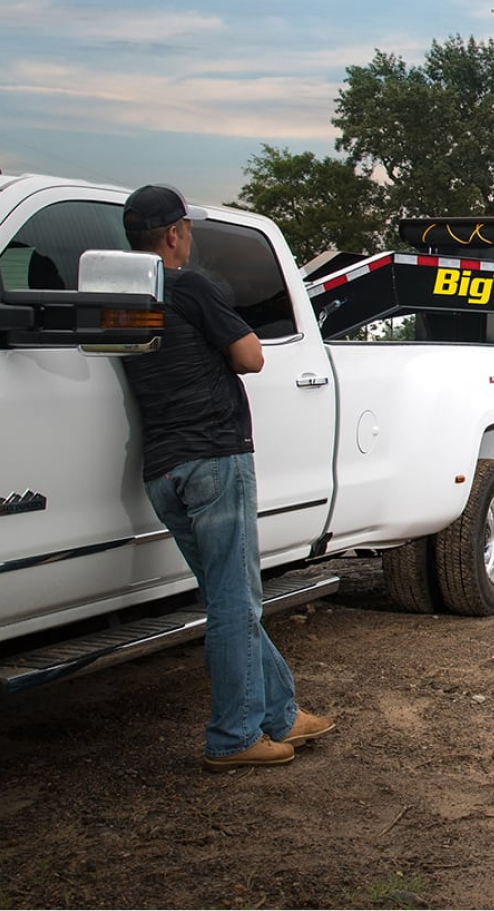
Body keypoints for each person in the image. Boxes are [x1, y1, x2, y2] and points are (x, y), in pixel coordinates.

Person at [120, 184, 334, 771]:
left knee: (228, 598)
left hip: (163, 468)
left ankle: (281, 713)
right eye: (185, 228)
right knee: (237, 603)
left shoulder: (119, 297)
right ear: (174, 234)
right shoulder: (191, 285)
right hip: (214, 458)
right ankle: (234, 737)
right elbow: (251, 356)